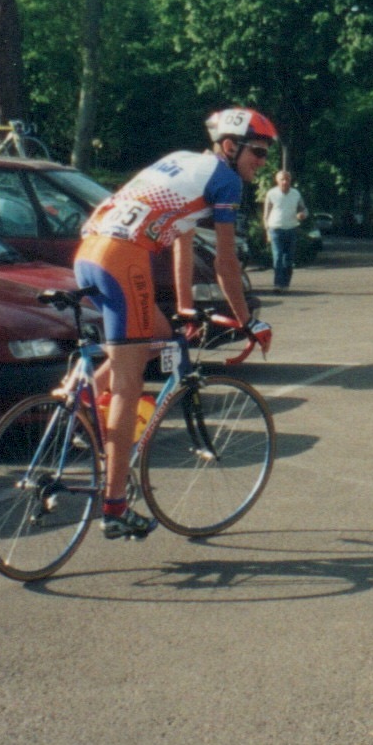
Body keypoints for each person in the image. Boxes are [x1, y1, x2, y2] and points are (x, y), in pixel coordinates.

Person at [73, 107, 272, 538]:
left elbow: (180, 244)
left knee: (159, 336)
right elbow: (224, 260)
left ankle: (81, 400)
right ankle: (114, 506)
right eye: (257, 151)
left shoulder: (185, 161)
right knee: (130, 385)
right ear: (230, 146)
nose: (262, 162)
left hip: (90, 252)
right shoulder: (225, 180)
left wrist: (183, 308)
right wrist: (247, 322)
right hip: (123, 258)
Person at [262, 168, 309, 290]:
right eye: (282, 179)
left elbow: (304, 209)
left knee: (288, 259)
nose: (285, 182)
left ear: (290, 180)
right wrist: (267, 232)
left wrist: (302, 214)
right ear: (277, 181)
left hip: (291, 228)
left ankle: (285, 284)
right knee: (277, 257)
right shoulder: (271, 194)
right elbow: (266, 215)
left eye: (287, 179)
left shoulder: (296, 193)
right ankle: (277, 284)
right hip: (276, 229)